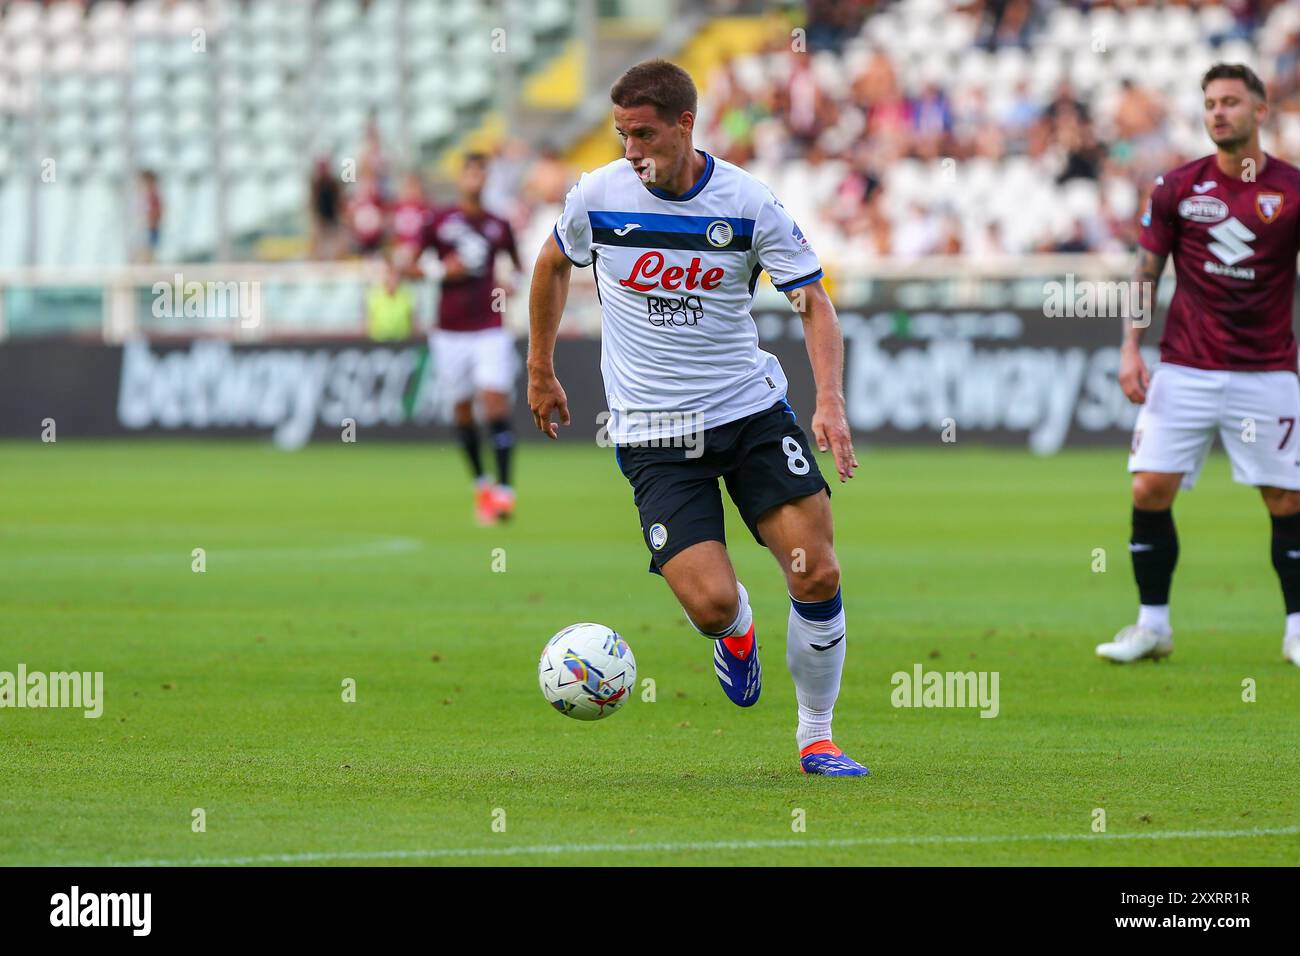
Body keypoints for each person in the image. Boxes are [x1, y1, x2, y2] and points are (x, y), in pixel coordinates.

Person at [527, 60, 866, 776]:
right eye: (621, 135)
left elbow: (813, 301)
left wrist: (828, 397)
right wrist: (541, 368)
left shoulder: (749, 203)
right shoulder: (599, 196)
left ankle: (817, 737)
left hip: (749, 416)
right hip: (654, 434)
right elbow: (552, 266)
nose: (630, 151)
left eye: (643, 135)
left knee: (816, 573)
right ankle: (735, 635)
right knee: (711, 605)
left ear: (686, 125)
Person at [1101, 63, 1300, 666]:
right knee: (1149, 487)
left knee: (1287, 500)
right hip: (1185, 366)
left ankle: (1296, 629)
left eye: (1231, 102)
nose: (1218, 112)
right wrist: (1131, 345)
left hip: (1267, 369)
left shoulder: (1292, 190)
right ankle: (1153, 625)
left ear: (1260, 111)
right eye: (1210, 102)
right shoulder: (1176, 187)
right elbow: (1145, 274)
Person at [426, 153, 523, 525]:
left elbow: (517, 267)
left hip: (489, 328)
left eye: (482, 172)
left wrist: (510, 284)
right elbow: (409, 264)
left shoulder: (499, 224)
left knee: (494, 402)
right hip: (449, 331)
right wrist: (440, 269)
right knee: (463, 410)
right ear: (460, 177)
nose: (476, 178)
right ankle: (482, 486)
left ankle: (505, 492)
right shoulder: (440, 221)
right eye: (470, 171)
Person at [365, 256, 414, 342]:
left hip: (402, 342)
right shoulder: (374, 294)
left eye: (395, 276)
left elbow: (410, 318)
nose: (393, 280)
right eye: (390, 275)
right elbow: (369, 320)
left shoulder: (406, 295)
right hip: (378, 342)